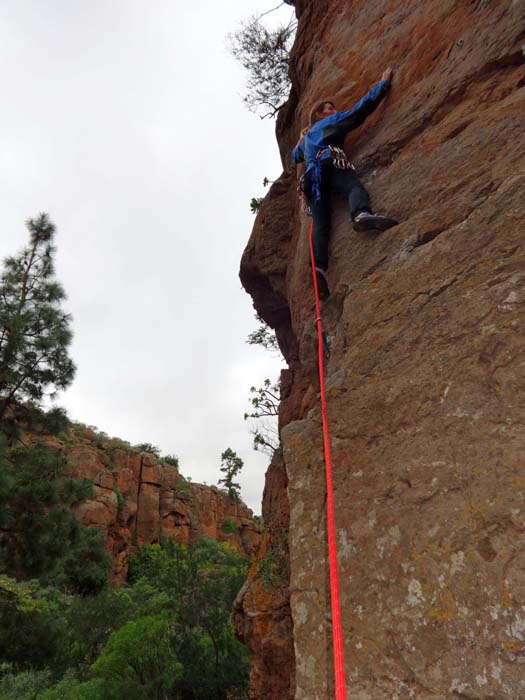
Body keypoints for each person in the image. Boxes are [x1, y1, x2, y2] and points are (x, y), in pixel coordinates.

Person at [292, 67, 398, 299]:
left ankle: (318, 269)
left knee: (321, 222)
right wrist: (383, 84)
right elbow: (358, 112)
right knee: (352, 187)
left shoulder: (306, 139)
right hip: (329, 162)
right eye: (330, 109)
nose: (335, 111)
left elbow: (295, 156)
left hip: (311, 179)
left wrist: (301, 140)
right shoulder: (329, 123)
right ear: (319, 115)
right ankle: (360, 214)